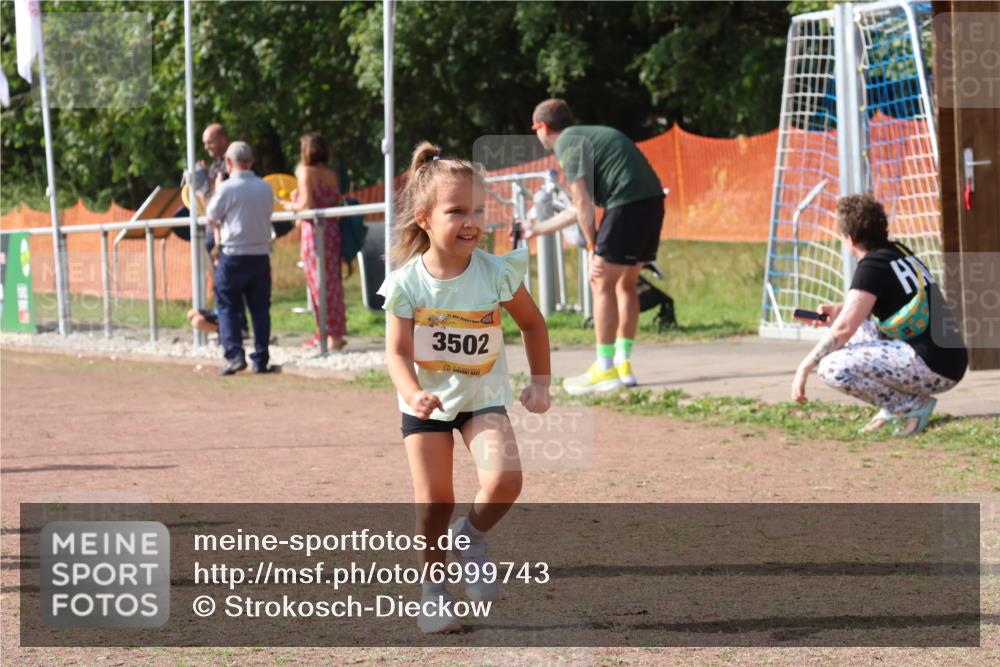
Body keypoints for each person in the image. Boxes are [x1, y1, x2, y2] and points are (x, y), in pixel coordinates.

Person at [378, 142, 551, 633]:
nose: (471, 221)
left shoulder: (497, 273)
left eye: (478, 210)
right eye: (457, 211)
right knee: (434, 501)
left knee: (504, 481)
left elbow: (533, 326)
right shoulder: (407, 283)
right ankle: (432, 593)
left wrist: (541, 384)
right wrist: (413, 393)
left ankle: (470, 538)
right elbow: (394, 353)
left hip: (482, 398)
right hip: (427, 404)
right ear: (425, 218)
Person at [791, 194, 968, 436]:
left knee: (830, 367)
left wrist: (804, 367)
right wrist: (840, 310)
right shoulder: (897, 252)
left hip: (936, 367)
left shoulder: (871, 267)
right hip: (950, 359)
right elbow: (872, 305)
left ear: (850, 239)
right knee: (856, 327)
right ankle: (892, 406)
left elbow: (843, 330)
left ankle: (909, 406)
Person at [526, 98, 665, 394]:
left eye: (535, 129)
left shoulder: (567, 143)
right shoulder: (591, 134)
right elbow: (579, 209)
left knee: (601, 281)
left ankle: (604, 369)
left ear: (544, 127)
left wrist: (592, 247)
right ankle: (622, 363)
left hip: (626, 203)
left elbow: (582, 203)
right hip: (652, 202)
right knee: (626, 284)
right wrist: (536, 228)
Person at [205, 141, 277, 376]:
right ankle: (261, 358)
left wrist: (217, 188)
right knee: (260, 309)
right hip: (260, 255)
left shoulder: (226, 188)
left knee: (226, 306)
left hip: (233, 255)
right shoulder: (265, 187)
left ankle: (235, 355)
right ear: (251, 161)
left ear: (228, 163)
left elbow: (211, 215)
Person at [282, 132, 347, 351]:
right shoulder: (331, 174)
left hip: (314, 233)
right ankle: (336, 334)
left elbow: (307, 204)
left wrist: (289, 206)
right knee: (333, 284)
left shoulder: (304, 171)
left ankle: (324, 334)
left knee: (317, 283)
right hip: (332, 231)